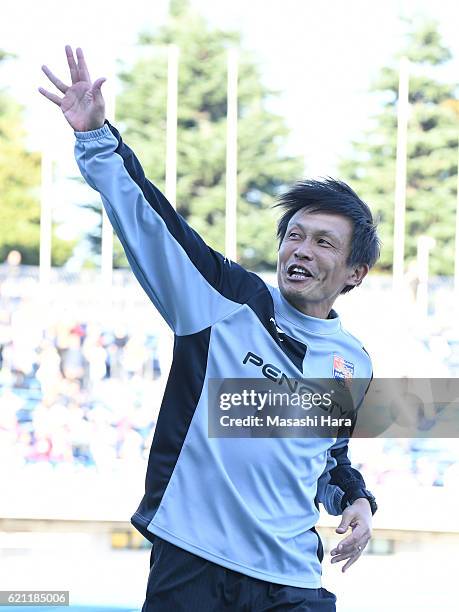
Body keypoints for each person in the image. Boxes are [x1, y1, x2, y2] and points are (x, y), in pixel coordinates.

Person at [39, 46, 379, 612]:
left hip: (291, 579)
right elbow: (153, 222)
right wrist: (97, 137)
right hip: (193, 565)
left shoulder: (355, 362)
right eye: (294, 235)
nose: (301, 250)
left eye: (324, 243)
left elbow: (327, 456)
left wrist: (358, 499)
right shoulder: (226, 300)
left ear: (354, 273)